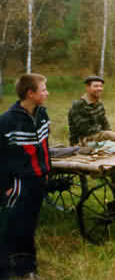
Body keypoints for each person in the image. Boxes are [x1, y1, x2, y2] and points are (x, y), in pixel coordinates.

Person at [0, 74, 51, 279]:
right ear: (30, 93)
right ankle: (4, 269)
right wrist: (6, 185)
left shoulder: (43, 114)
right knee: (9, 226)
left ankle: (27, 268)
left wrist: (47, 171)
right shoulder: (7, 121)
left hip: (38, 180)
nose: (47, 93)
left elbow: (45, 147)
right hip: (18, 183)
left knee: (29, 226)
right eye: (43, 89)